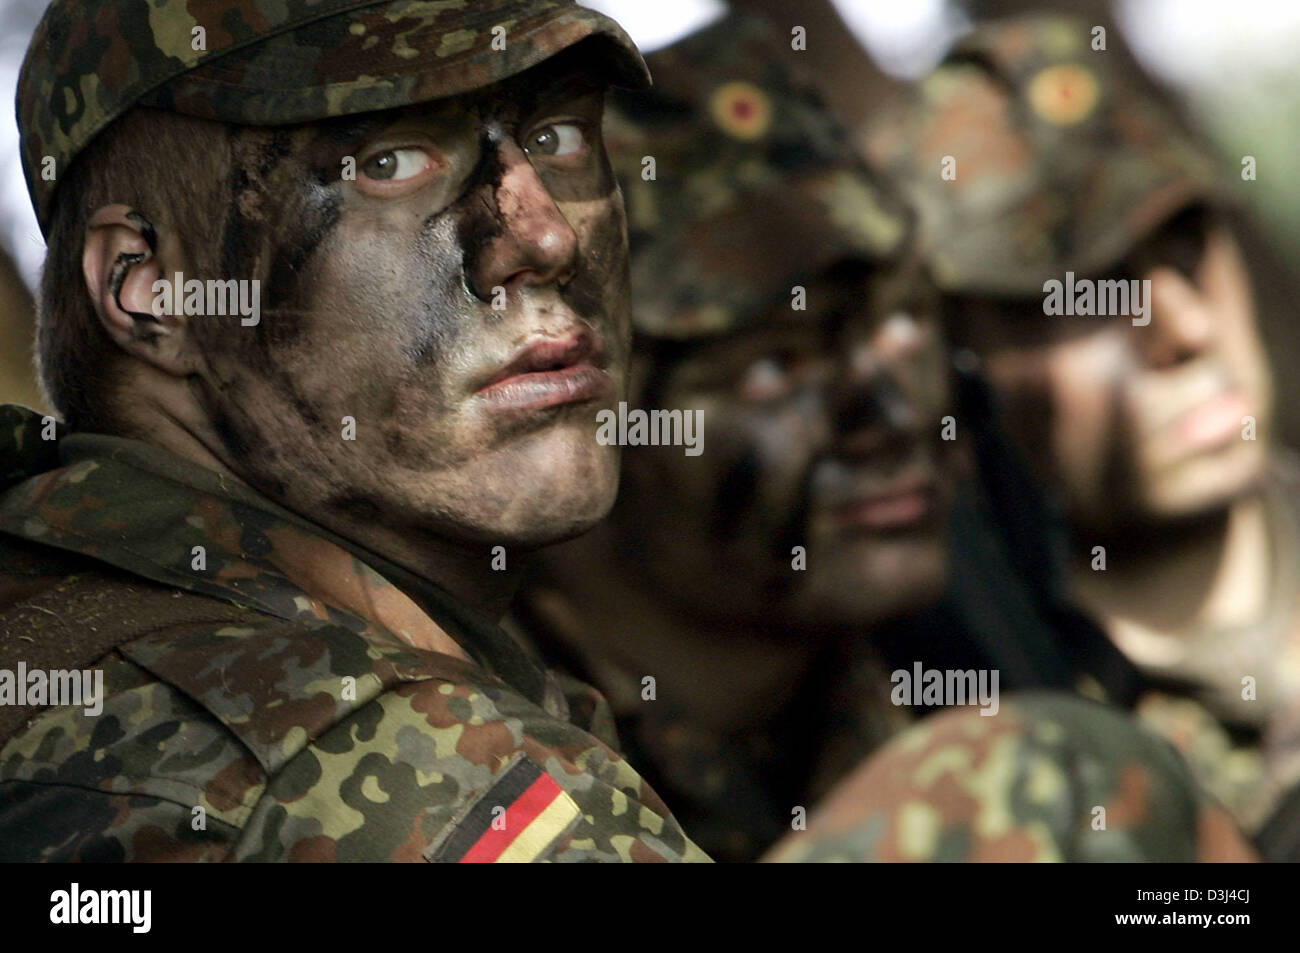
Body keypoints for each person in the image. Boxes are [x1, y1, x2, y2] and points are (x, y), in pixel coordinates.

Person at [511, 10, 1254, 863]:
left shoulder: (963, 646)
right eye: (772, 367)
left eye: (901, 323)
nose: (895, 418)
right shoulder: (483, 755)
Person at [0, 0, 711, 863]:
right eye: (390, 161)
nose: (544, 234)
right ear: (149, 290)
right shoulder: (404, 774)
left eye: (558, 135)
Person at [866, 13, 1300, 853]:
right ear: (950, 363)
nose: (1182, 325)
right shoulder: (940, 745)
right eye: (1086, 292)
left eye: (1185, 247)